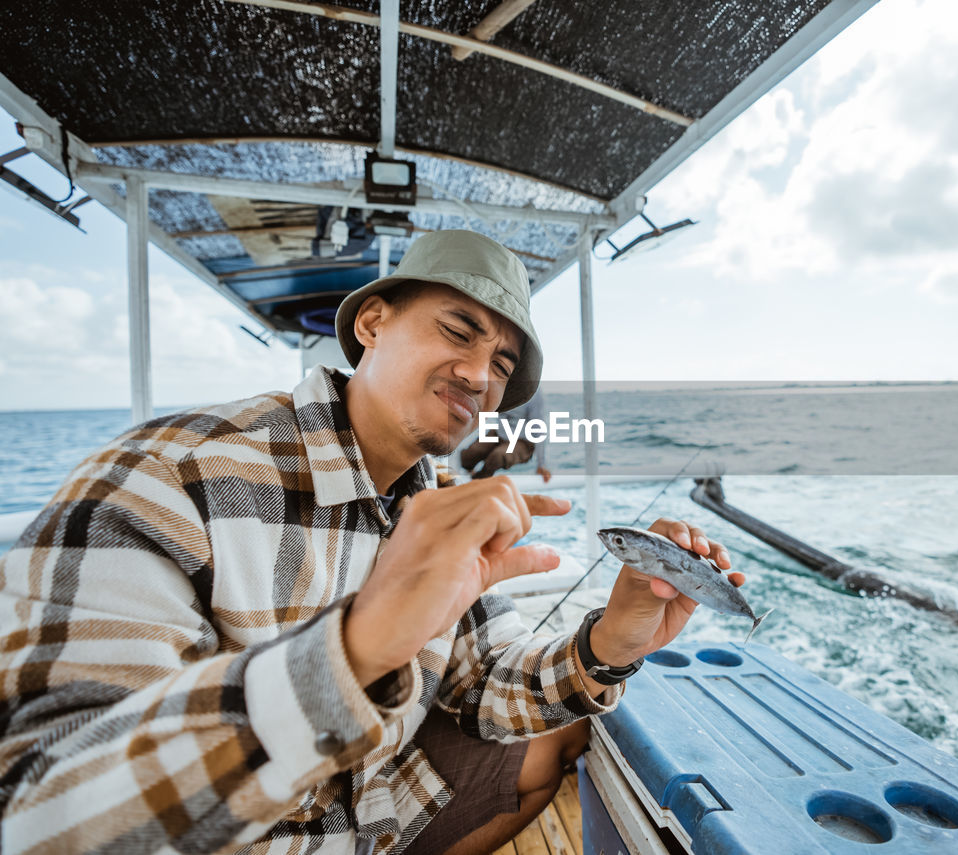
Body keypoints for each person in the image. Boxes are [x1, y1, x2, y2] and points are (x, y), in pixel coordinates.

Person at [0, 230, 741, 855]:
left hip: (372, 819)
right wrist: (350, 651)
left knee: (559, 741)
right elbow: (38, 811)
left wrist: (614, 639)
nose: (482, 376)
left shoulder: (433, 501)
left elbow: (483, 682)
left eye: (504, 365)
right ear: (372, 323)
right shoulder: (169, 474)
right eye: (458, 331)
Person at [459, 388, 553, 482]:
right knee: (469, 454)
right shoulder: (502, 385)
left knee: (497, 457)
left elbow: (539, 428)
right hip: (499, 433)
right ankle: (467, 475)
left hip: (522, 441)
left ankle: (477, 483)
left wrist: (542, 464)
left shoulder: (534, 393)